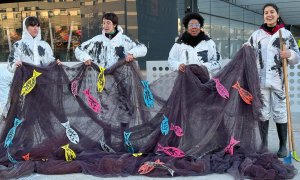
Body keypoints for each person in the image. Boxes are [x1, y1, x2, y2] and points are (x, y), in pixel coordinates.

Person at [247, 3, 300, 158]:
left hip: (279, 81)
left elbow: (297, 56)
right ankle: (263, 144)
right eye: (265, 12)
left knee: (280, 111)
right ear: (263, 16)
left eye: (272, 12)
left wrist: (289, 54)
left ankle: (283, 145)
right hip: (260, 80)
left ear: (277, 15)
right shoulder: (257, 35)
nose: (268, 15)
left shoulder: (285, 34)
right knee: (263, 112)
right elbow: (246, 51)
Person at [75, 12, 147, 67]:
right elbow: (79, 49)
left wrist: (132, 53)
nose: (105, 26)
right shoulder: (96, 40)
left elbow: (143, 48)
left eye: (108, 23)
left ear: (115, 25)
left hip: (121, 80)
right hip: (101, 80)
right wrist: (85, 58)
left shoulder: (125, 40)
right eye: (103, 23)